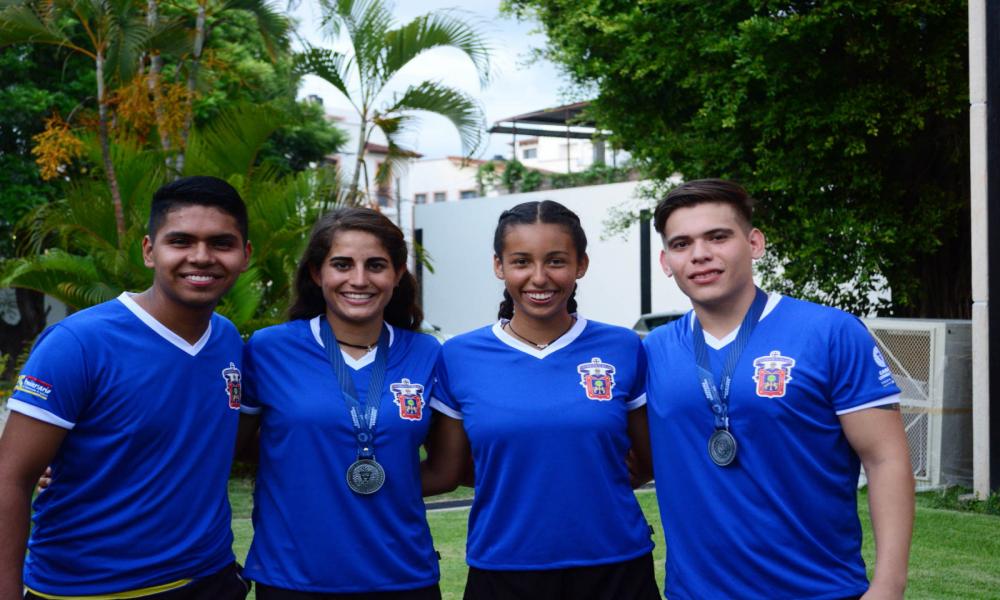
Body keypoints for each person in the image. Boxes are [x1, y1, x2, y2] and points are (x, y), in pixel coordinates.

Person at [644, 179, 915, 599]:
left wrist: (889, 586)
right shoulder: (652, 351)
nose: (700, 254)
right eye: (682, 244)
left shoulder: (831, 333)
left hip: (820, 590)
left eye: (718, 237)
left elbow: (886, 460)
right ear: (666, 261)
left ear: (754, 243)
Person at [0, 176, 253, 599]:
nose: (201, 256)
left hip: (210, 578)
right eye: (181, 241)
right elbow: (11, 476)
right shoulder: (78, 343)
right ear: (149, 251)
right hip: (89, 589)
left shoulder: (228, 340)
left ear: (245, 255)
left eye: (221, 243)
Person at [428, 200, 660, 600]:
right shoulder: (459, 355)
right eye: (521, 262)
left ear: (581, 265)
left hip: (616, 568)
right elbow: (453, 469)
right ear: (499, 266)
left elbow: (648, 458)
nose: (539, 277)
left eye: (556, 261)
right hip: (504, 569)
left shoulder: (622, 346)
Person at [236, 208, 453, 599]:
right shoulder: (269, 349)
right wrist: (307, 475)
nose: (359, 279)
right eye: (342, 264)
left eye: (376, 265)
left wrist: (386, 484)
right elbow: (236, 446)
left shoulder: (427, 353)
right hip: (292, 578)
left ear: (397, 274)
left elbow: (445, 470)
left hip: (403, 577)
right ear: (317, 273)